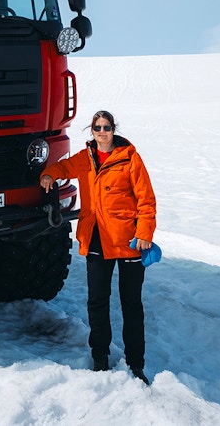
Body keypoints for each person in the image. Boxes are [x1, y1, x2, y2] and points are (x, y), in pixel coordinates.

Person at [40, 110, 156, 384]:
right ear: (91, 131)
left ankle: (135, 364)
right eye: (97, 127)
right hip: (95, 238)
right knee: (97, 302)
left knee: (131, 304)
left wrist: (144, 233)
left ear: (113, 129)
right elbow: (63, 168)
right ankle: (100, 358)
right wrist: (48, 174)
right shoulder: (86, 159)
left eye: (106, 127)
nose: (101, 132)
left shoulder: (130, 159)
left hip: (128, 240)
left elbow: (146, 199)